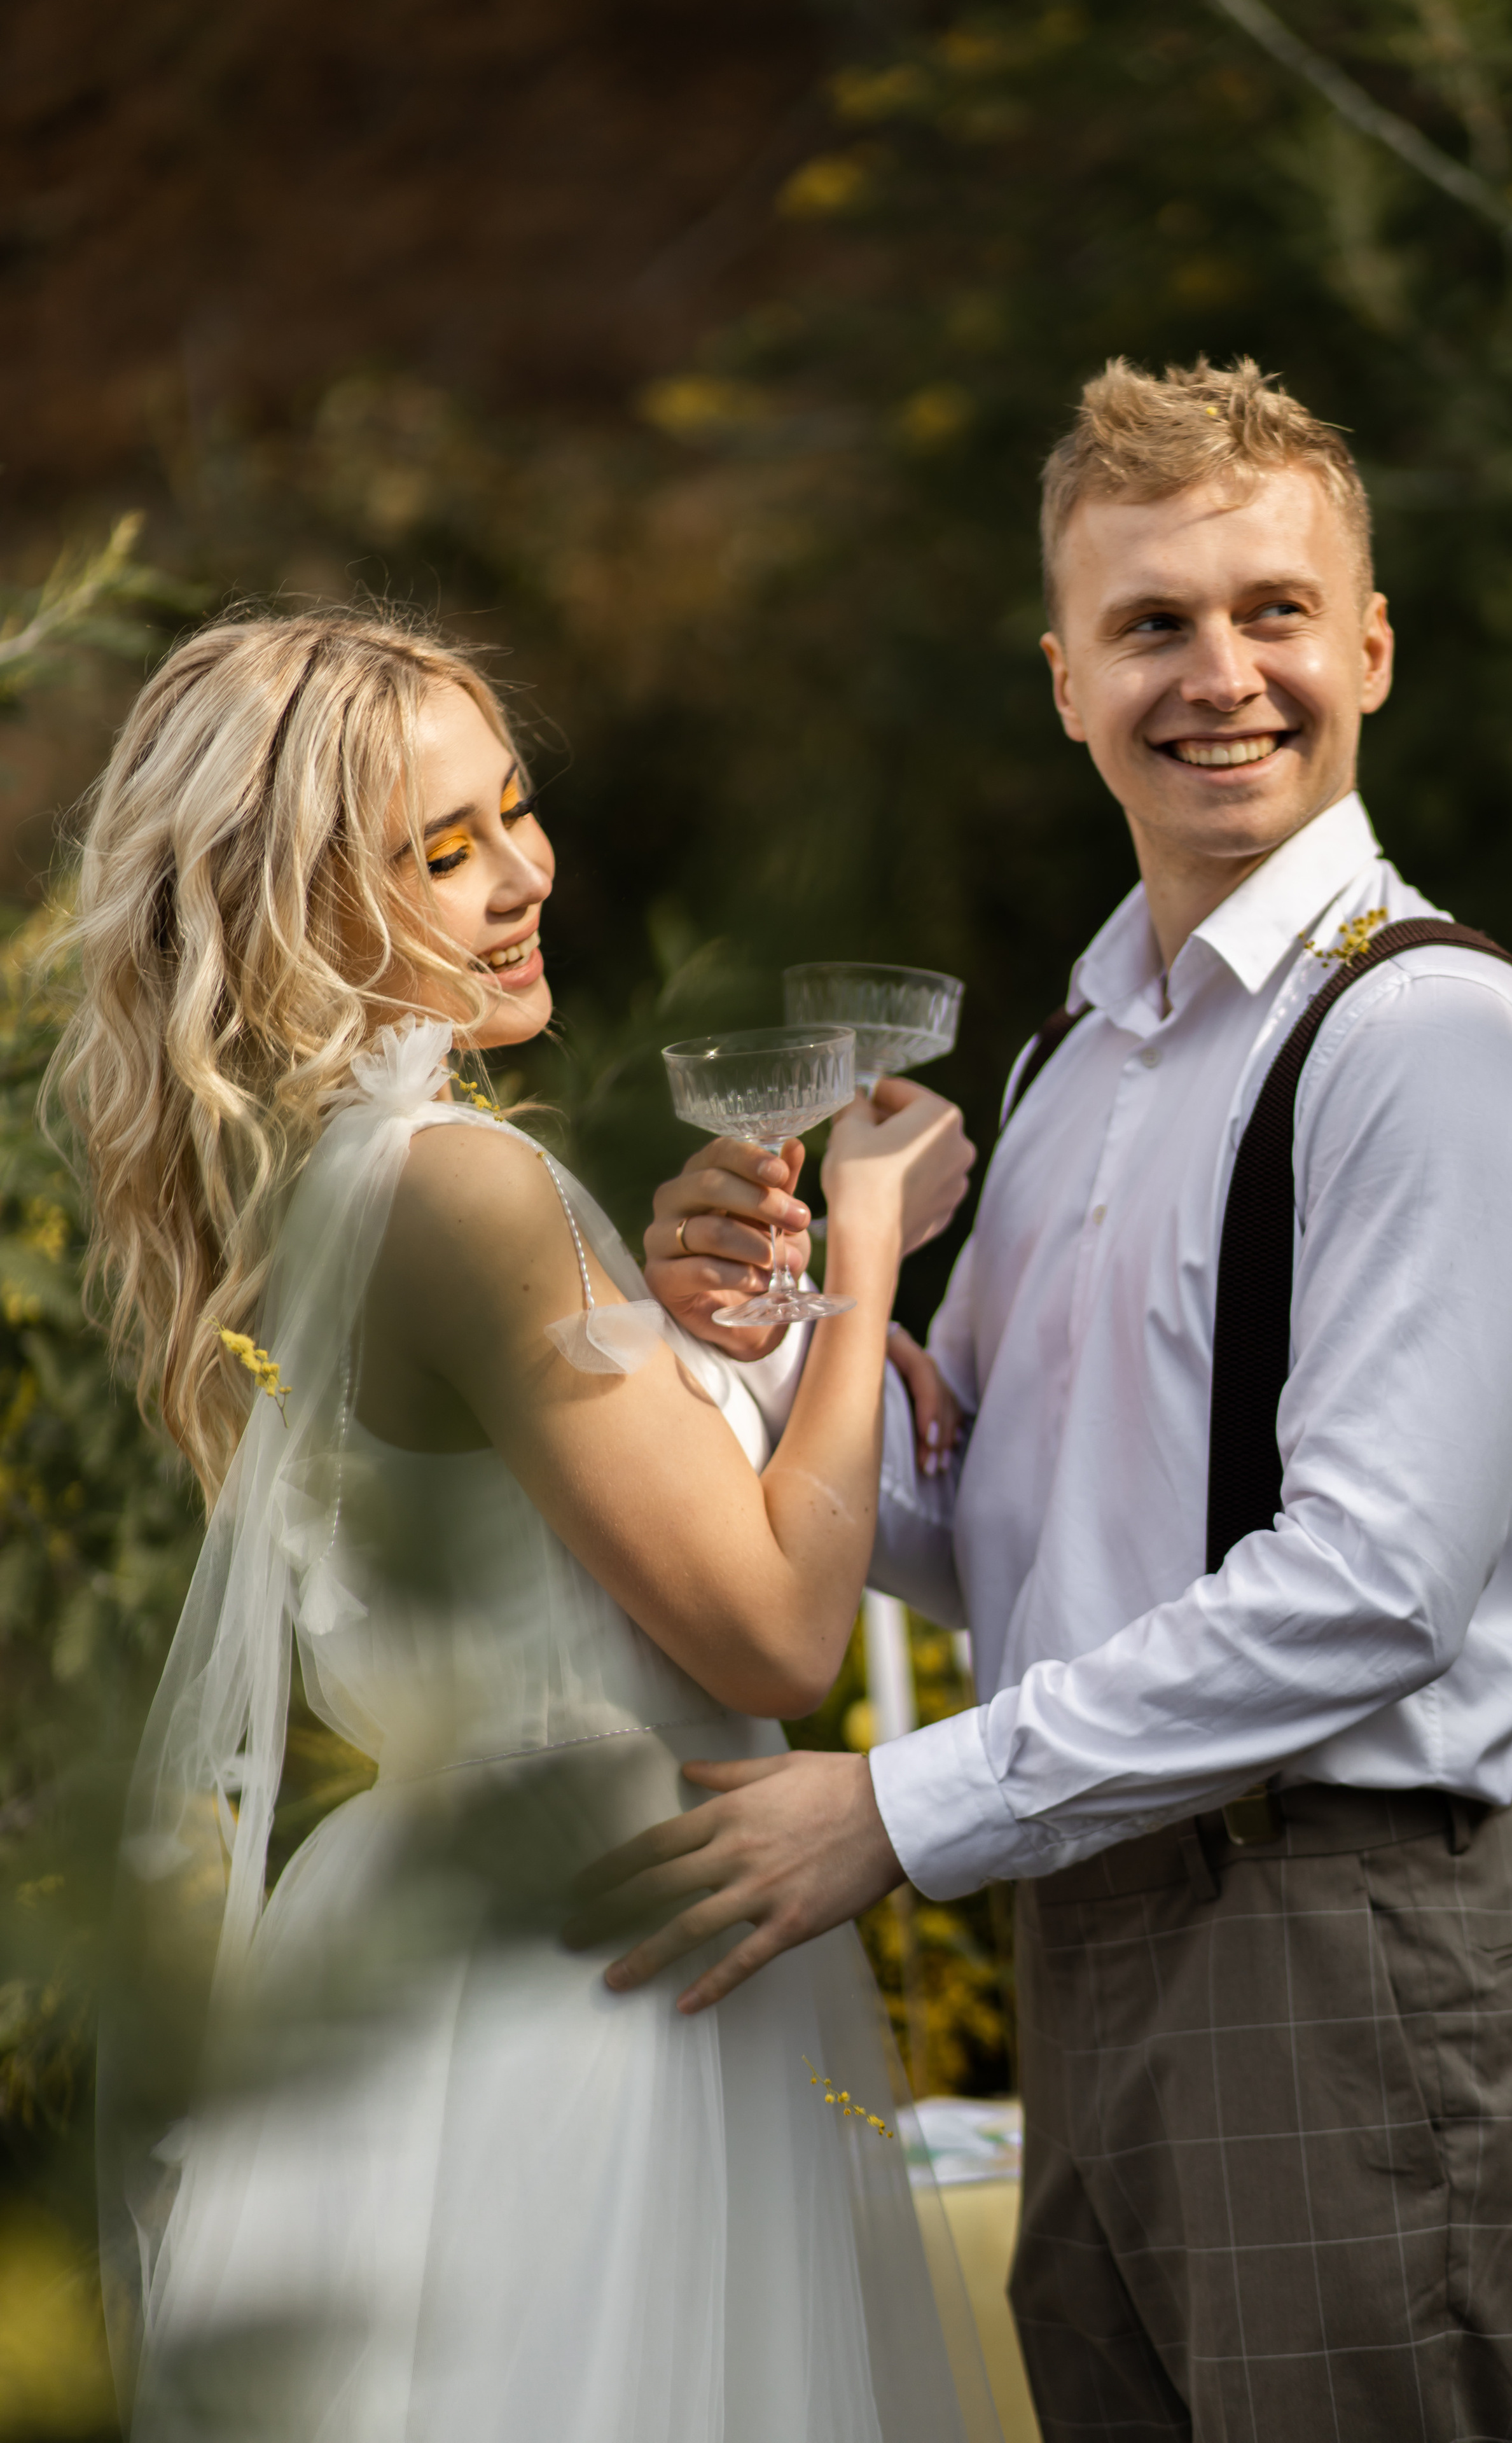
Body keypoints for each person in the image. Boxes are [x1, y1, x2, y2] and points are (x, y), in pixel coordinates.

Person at [601, 358, 1512, 2442]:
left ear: (1373, 648)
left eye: (1272, 611)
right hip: (1102, 1928)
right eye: (1153, 624)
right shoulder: (1079, 1057)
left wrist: (896, 1810)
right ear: (1065, 681)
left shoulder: (1431, 1041)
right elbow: (983, 1527)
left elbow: (1367, 1592)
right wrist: (764, 1331)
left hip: (1335, 1944)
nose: (1220, 674)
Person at [60, 608, 995, 2442]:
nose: (522, 875)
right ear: (296, 910)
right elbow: (777, 1638)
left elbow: (554, 1522)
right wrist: (877, 1228)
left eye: (517, 810)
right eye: (441, 850)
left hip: (454, 1942)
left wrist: (717, 1329)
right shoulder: (468, 1187)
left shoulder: (314, 1186)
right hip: (610, 1977)